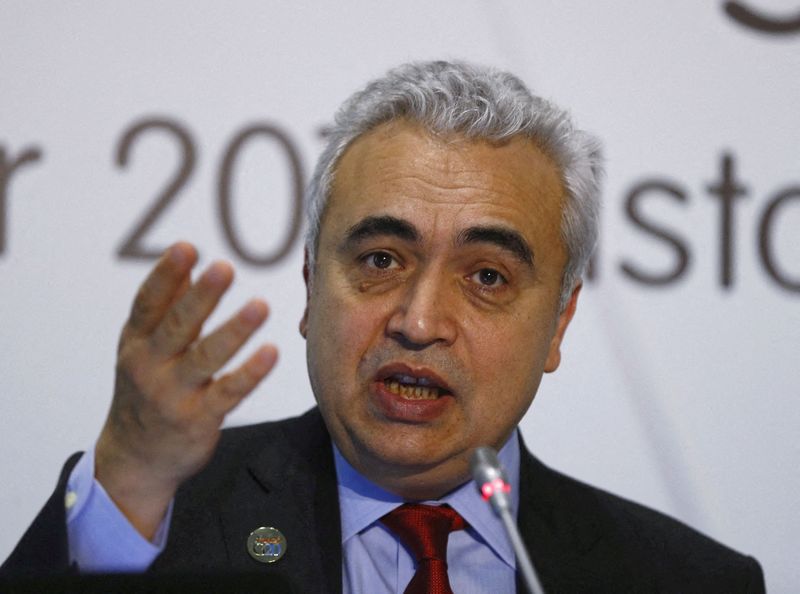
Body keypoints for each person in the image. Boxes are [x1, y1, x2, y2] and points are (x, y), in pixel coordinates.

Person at [2, 60, 764, 593]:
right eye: (380, 260)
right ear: (309, 285)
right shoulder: (159, 514)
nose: (420, 321)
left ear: (560, 320)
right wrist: (130, 485)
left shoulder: (683, 579)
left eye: (488, 277)